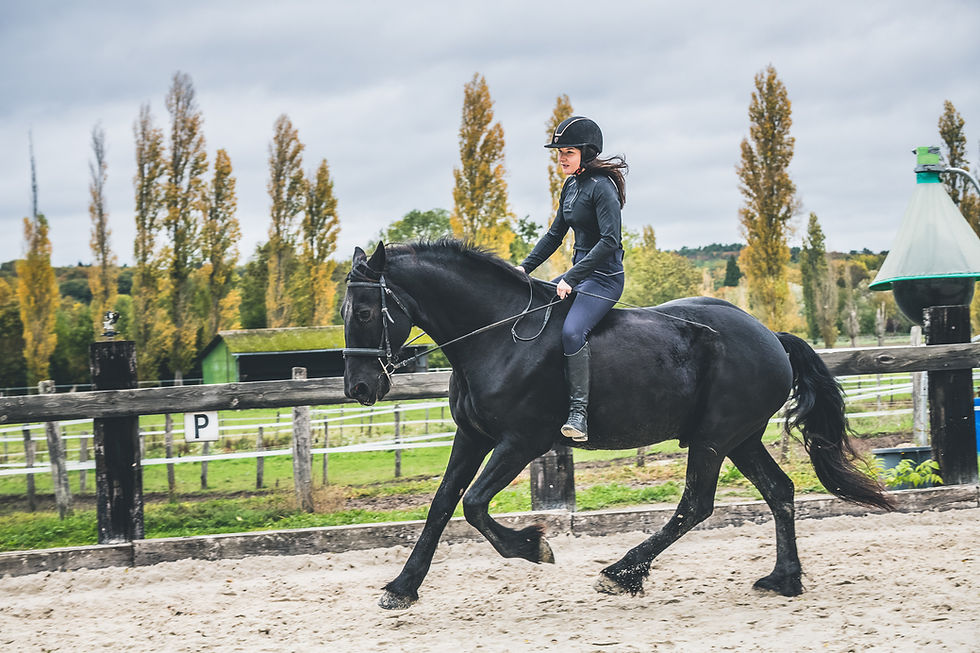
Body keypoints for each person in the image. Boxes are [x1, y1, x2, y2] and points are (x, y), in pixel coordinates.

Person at [516, 116, 627, 442]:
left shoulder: (602, 189)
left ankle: (579, 414)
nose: (561, 158)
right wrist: (524, 268)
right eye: (559, 152)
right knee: (535, 315)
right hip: (578, 277)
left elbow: (609, 242)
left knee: (572, 330)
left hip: (604, 279)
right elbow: (554, 236)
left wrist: (572, 277)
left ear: (586, 152)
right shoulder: (572, 186)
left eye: (568, 151)